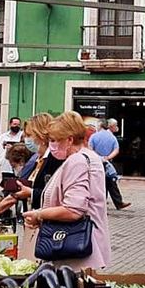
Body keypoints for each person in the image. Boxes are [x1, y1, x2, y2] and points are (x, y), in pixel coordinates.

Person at [23, 112, 111, 270]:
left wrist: (39, 214)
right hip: (88, 246)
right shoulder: (90, 157)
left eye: (54, 140)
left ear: (69, 139)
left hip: (75, 252)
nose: (52, 145)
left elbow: (73, 210)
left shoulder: (76, 161)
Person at [88, 118, 130, 210]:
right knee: (110, 182)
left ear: (99, 126)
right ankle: (117, 203)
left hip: (96, 162)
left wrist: (97, 157)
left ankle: (102, 202)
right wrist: (107, 158)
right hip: (107, 163)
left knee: (99, 183)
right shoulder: (112, 137)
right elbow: (116, 150)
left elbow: (90, 149)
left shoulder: (94, 136)